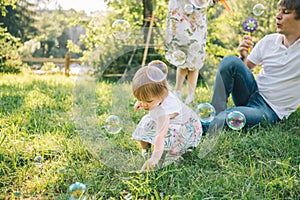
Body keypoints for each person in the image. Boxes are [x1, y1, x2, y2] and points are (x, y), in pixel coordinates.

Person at [210, 0, 300, 128]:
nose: (278, 16)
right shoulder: (269, 41)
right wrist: (243, 55)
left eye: (285, 12)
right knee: (230, 61)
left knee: (229, 115)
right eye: (278, 11)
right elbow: (245, 68)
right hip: (252, 93)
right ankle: (214, 111)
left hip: (269, 110)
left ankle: (192, 128)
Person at [132, 65, 202, 171]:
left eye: (148, 101)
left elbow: (161, 134)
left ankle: (177, 154)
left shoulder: (166, 109)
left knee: (169, 136)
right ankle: (146, 150)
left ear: (163, 94)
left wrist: (155, 158)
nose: (144, 104)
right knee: (146, 122)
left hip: (187, 128)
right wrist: (140, 101)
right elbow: (145, 97)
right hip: (171, 123)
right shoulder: (156, 94)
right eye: (140, 98)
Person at [165, 0, 221, 104]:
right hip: (181, 14)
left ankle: (190, 95)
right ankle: (178, 91)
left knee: (196, 54)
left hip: (197, 15)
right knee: (182, 53)